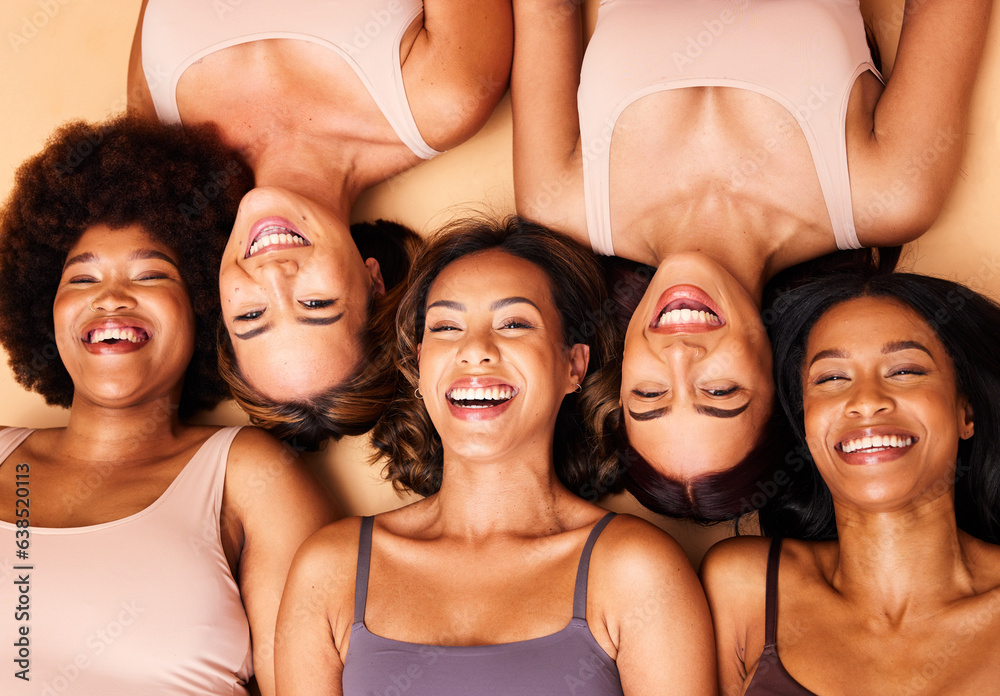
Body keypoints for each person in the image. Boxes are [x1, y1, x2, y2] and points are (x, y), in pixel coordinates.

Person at [511, 0, 991, 517]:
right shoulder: (888, 193)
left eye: (649, 394)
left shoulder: (557, 204)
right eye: (719, 390)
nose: (679, 354)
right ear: (782, 377)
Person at [274, 218, 716, 695]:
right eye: (446, 326)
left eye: (514, 323)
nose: (476, 350)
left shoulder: (638, 570)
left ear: (574, 365)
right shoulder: (330, 569)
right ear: (420, 365)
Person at [0, 116, 336, 696]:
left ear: (205, 308)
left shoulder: (249, 475)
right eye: (81, 280)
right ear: (44, 309)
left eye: (151, 273)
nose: (110, 297)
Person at [128, 0, 513, 448]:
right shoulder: (445, 97)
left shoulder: (159, 148)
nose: (273, 274)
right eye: (314, 303)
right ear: (374, 281)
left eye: (250, 314)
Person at [701, 271, 1000, 693]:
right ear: (805, 422)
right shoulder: (743, 587)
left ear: (965, 413)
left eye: (905, 370)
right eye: (831, 379)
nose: (865, 401)